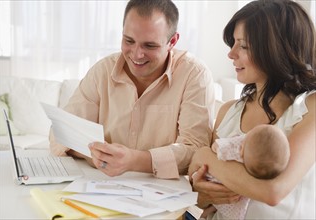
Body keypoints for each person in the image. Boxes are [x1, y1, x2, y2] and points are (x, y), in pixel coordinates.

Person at [49, 0, 215, 179]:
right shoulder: (103, 71)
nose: (136, 54)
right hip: (103, 185)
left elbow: (196, 150)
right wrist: (96, 154)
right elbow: (60, 131)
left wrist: (134, 160)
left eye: (150, 46)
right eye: (129, 41)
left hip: (164, 191)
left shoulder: (194, 74)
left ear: (172, 41)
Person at [189, 0, 316, 219]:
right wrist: (201, 192)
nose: (231, 54)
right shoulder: (228, 112)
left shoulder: (309, 108)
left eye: (244, 45)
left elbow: (273, 191)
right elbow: (202, 200)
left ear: (276, 50)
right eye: (234, 43)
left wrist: (204, 156)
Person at [194, 124, 290, 220]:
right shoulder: (260, 165)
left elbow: (217, 147)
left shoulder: (237, 150)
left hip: (217, 187)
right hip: (236, 207)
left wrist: (206, 153)